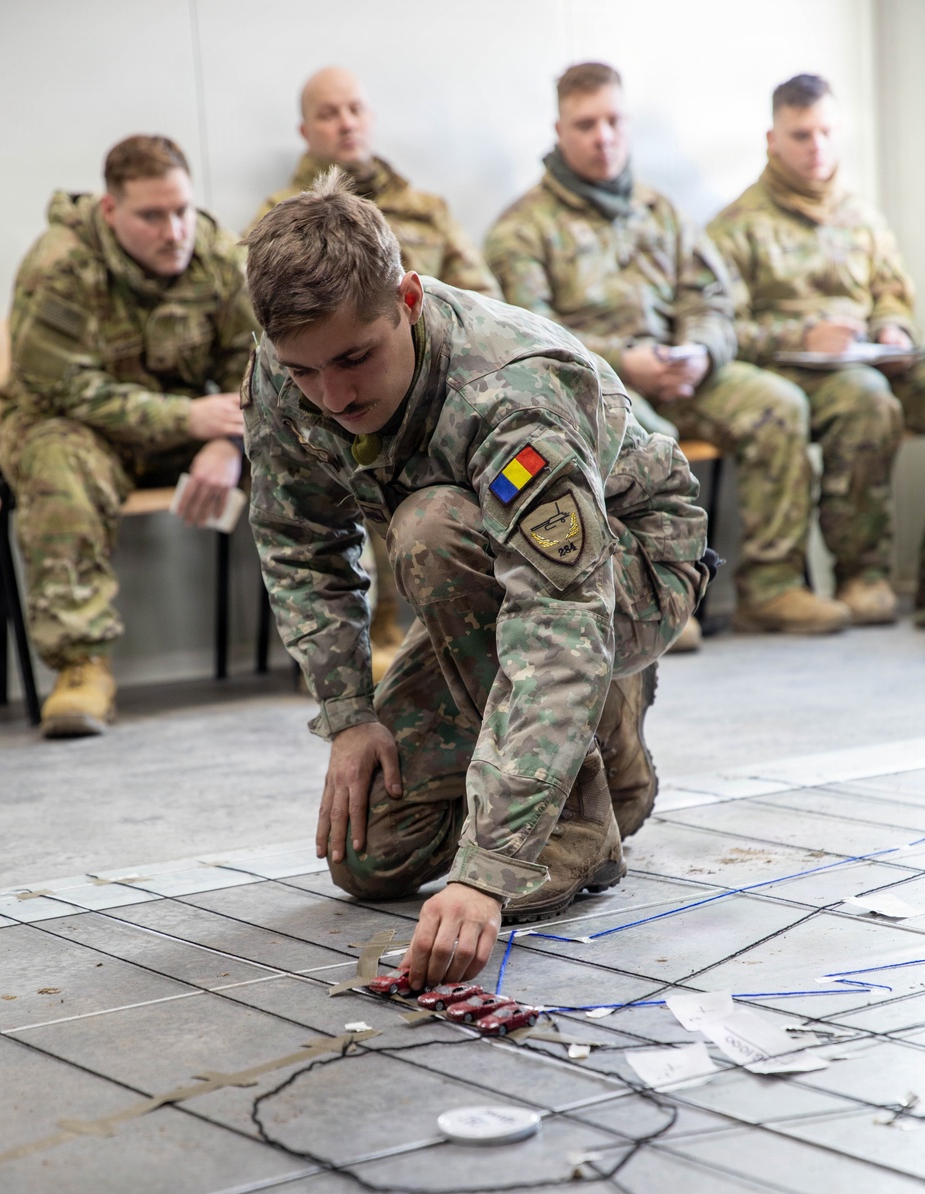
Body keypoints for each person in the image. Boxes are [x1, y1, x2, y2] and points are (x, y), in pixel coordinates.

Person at [243, 170, 712, 987]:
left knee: (430, 529)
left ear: (407, 300)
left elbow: (558, 616)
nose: (333, 395)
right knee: (370, 856)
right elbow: (298, 539)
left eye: (355, 358)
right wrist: (349, 715)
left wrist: (490, 867)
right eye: (306, 371)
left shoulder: (509, 391)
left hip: (628, 568)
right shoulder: (290, 369)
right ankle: (606, 742)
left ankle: (578, 815)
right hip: (492, 576)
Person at [485, 62, 850, 644]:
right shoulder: (521, 230)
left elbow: (712, 300)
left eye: (613, 120)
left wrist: (700, 352)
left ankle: (770, 589)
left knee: (779, 404)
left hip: (685, 372)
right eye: (586, 124)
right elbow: (534, 337)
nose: (603, 136)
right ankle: (652, 608)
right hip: (599, 386)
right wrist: (627, 360)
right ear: (559, 131)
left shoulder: (662, 212)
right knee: (648, 441)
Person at [0, 134, 256, 737]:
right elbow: (61, 390)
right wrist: (187, 420)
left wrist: (228, 445)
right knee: (56, 460)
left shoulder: (219, 257)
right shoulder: (59, 265)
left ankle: (337, 648)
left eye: (182, 210)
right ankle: (81, 667)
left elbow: (259, 368)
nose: (174, 232)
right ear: (110, 209)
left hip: (192, 431)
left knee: (305, 446)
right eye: (152, 216)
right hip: (80, 431)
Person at [246, 67, 501, 681]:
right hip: (341, 407)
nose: (346, 123)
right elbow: (274, 334)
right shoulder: (277, 224)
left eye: (355, 109)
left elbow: (482, 301)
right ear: (306, 131)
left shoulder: (425, 209)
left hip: (434, 390)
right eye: (329, 113)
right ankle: (370, 643)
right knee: (353, 447)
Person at [710, 73, 924, 626]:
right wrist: (801, 337)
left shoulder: (860, 214)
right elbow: (723, 330)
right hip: (790, 370)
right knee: (866, 398)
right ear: (772, 139)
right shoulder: (737, 226)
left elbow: (891, 292)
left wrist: (894, 330)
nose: (817, 147)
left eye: (826, 132)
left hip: (869, 356)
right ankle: (862, 573)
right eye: (801, 135)